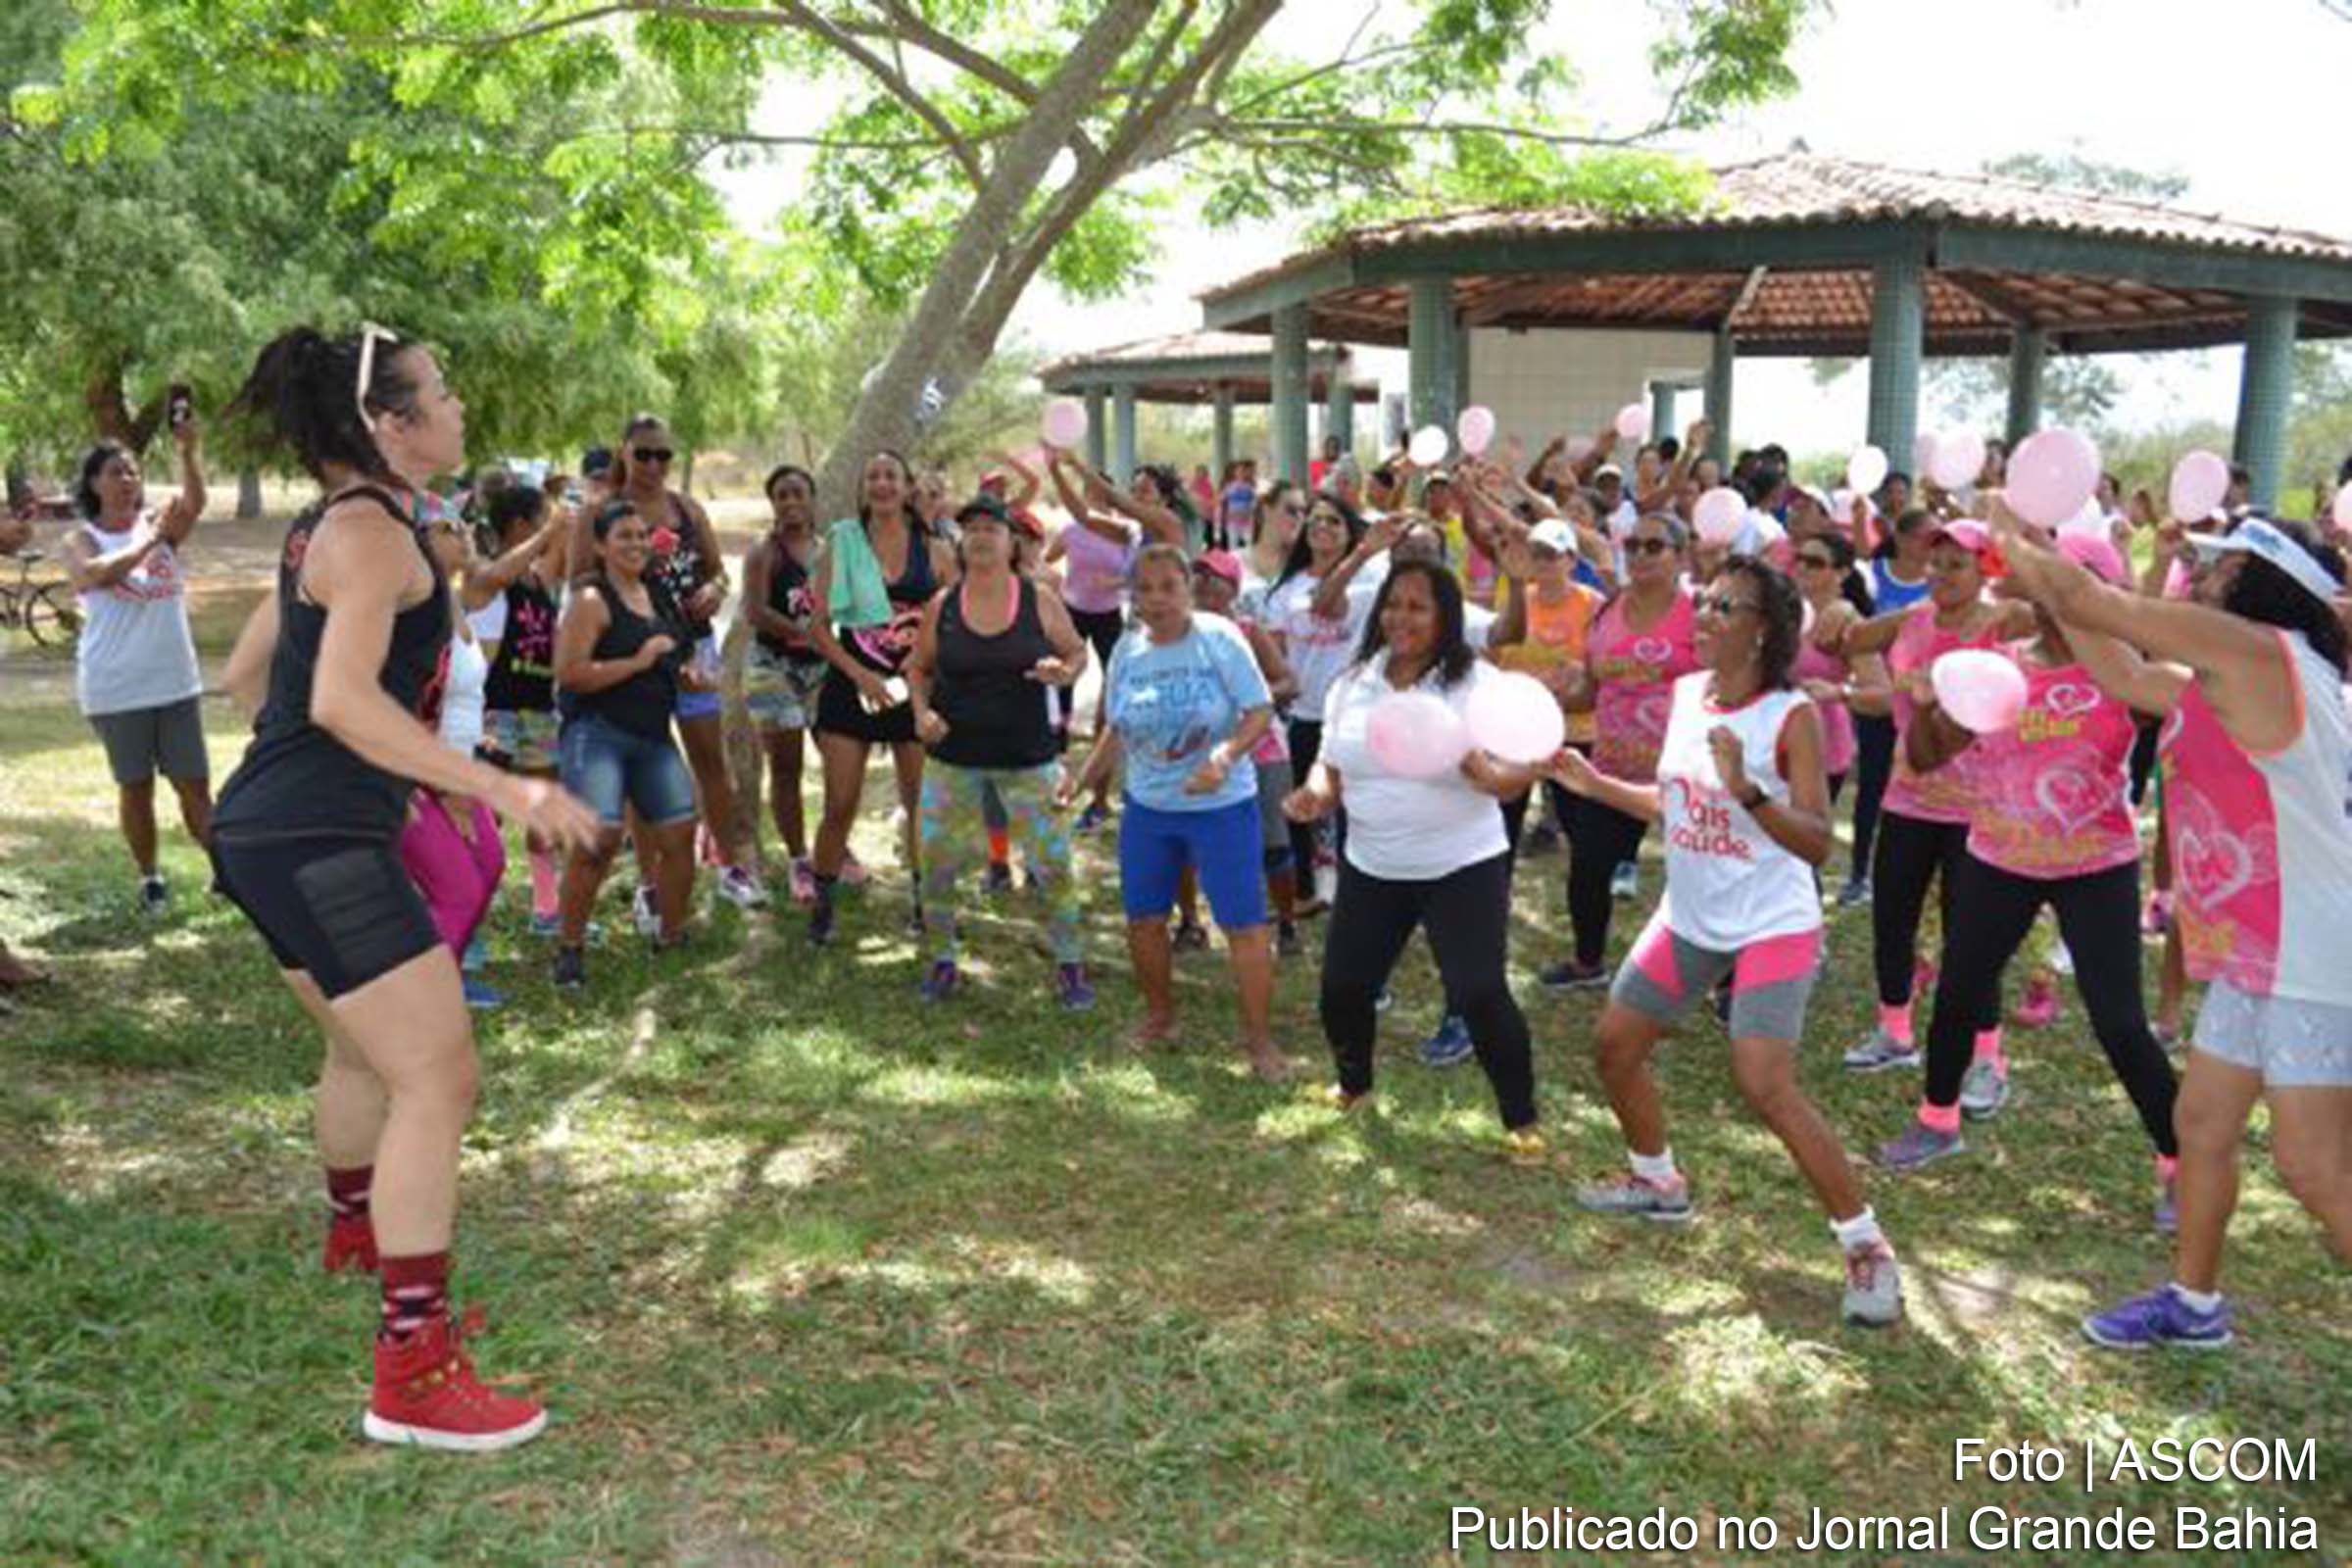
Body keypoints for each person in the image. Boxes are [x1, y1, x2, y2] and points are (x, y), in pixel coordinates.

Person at [209, 324, 598, 1450]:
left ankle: (358, 1235)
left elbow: (248, 678)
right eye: (443, 389)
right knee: (437, 1076)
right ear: (390, 422)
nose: (460, 402)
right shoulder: (375, 537)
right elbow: (335, 700)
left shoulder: (337, 527)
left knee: (364, 1050)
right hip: (318, 838)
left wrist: (305, 775)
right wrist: (502, 790)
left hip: (271, 831)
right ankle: (414, 1375)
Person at [1984, 509, 2352, 1349]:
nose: (2199, 574)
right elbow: (2115, 668)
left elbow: (2095, 598)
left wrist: (2012, 525)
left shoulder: (2256, 650)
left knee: (2313, 1167)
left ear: (2258, 582)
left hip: (2310, 946)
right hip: (2257, 947)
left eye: (2217, 566)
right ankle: (2194, 1306)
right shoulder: (2234, 672)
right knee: (2202, 1125)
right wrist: (2049, 584)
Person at [1551, 557, 1903, 1328]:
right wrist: (1591, 783)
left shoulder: (1791, 716)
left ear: (1765, 628)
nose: (1703, 616)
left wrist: (1748, 788)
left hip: (1773, 919)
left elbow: (1816, 842)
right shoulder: (1686, 694)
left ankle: (1867, 1247)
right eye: (1704, 603)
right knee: (1614, 1045)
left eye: (1725, 606)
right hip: (1693, 911)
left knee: (1764, 1081)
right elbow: (1675, 803)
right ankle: (1657, 1182)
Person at [1877, 533, 2181, 1224]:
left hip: (2095, 866)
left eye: (2078, 585)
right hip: (1998, 859)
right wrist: (1931, 704)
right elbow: (1926, 758)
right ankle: (1937, 1117)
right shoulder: (1997, 666)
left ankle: (2178, 1160)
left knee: (2120, 1023)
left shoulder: (2124, 676)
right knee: (1958, 992)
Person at [1290, 560, 1545, 1151]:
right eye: (1393, 604)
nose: (1401, 617)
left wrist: (1484, 772)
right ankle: (1353, 1088)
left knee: (1479, 992)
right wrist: (1314, 796)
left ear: (1445, 617)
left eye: (1418, 606)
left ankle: (1522, 1119)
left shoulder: (1473, 683)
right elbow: (1331, 766)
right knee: (1343, 990)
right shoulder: (1354, 683)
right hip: (1373, 864)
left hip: (1461, 864)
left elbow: (1516, 773)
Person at [1060, 544, 1287, 1080]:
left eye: (1169, 586)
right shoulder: (1127, 651)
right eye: (1145, 588)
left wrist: (1226, 755)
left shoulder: (1220, 639)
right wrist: (1084, 780)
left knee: (1244, 926)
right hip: (1150, 810)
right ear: (1131, 596)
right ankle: (1161, 1019)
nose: (1158, 598)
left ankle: (1259, 1042)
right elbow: (1115, 727)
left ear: (1187, 588)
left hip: (1221, 807)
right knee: (1143, 920)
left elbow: (1259, 709)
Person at [1838, 519, 2026, 1073]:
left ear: (1984, 569)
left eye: (1957, 564)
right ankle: (1895, 1032)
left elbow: (2057, 623)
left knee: (1969, 937)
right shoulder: (1914, 620)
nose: (1941, 574)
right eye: (1936, 562)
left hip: (1979, 807)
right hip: (1908, 798)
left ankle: (1986, 1056)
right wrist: (1842, 616)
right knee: (1892, 919)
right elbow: (1850, 640)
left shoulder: (2001, 624)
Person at [905, 498, 1092, 1005]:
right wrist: (921, 713)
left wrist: (1065, 671)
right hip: (954, 760)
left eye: (993, 528)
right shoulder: (943, 604)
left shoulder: (1039, 599)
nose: (982, 536)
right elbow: (917, 668)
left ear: (1012, 543)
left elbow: (1077, 650)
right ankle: (943, 960)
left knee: (1053, 866)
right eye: (972, 529)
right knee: (938, 865)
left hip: (1029, 758)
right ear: (961, 542)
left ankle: (1070, 966)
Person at [607, 415, 764, 912]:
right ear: (624, 453)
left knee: (711, 763)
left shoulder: (688, 510)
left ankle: (729, 868)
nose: (654, 464)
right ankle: (650, 884)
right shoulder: (605, 513)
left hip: (696, 649)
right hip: (637, 657)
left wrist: (713, 593)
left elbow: (719, 574)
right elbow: (582, 583)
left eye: (663, 455)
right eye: (643, 454)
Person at [805, 451, 960, 943]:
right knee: (840, 803)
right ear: (863, 487)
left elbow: (955, 619)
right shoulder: (843, 542)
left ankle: (926, 906)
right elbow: (818, 627)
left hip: (915, 692)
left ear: (908, 486)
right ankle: (823, 905)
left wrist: (930, 677)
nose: (882, 484)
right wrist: (860, 677)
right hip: (851, 689)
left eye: (891, 475)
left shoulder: (933, 550)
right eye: (872, 476)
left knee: (920, 803)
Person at [550, 498, 706, 986]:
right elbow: (570, 674)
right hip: (598, 733)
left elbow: (666, 658)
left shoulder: (657, 595)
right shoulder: (591, 601)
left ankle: (671, 938)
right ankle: (570, 950)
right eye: (624, 536)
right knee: (598, 841)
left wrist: (687, 676)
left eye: (642, 535)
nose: (637, 544)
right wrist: (636, 664)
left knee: (681, 835)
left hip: (653, 735)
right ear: (600, 545)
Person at [1541, 513, 1697, 990]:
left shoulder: (1698, 612)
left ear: (1681, 555)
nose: (1641, 555)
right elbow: (1591, 690)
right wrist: (1561, 696)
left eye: (1655, 546)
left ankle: (1725, 978)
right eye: (1633, 545)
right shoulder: (1607, 613)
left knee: (1704, 876)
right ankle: (1589, 962)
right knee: (1587, 867)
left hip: (1687, 772)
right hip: (1611, 772)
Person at [65, 418, 213, 912]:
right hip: (117, 686)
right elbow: (94, 575)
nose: (127, 479)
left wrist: (189, 452)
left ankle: (226, 872)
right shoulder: (81, 539)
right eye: (114, 472)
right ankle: (150, 878)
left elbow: (194, 504)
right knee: (136, 786)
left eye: (132, 471)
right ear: (93, 484)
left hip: (175, 682)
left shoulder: (161, 525)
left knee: (193, 784)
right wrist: (149, 540)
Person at [401, 505, 508, 1008]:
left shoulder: (452, 601)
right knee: (458, 889)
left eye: (465, 525)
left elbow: (459, 695)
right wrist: (448, 792)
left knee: (489, 864)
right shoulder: (410, 614)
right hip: (409, 777)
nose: (463, 534)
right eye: (448, 528)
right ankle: (422, 1005)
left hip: (456, 771)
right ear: (416, 540)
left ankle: (446, 975)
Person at [1264, 495, 1388, 913]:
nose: (1321, 527)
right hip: (1303, 713)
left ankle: (1357, 893)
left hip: (1352, 715)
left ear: (1350, 532)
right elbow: (1277, 648)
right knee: (1300, 804)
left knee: (1354, 809)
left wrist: (1363, 553)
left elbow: (1329, 607)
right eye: (1314, 520)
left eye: (1333, 521)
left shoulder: (1368, 582)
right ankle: (1304, 892)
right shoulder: (1286, 588)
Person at [1189, 549, 1303, 953]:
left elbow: (1289, 682)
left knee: (1274, 842)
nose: (1202, 582)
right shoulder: (1175, 634)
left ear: (1233, 588)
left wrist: (1251, 697)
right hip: (1197, 752)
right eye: (1196, 573)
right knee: (1194, 841)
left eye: (1213, 576)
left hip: (1262, 750)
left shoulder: (1249, 632)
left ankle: (1287, 924)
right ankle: (1195, 923)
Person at [471, 484, 568, 935]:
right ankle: (468, 908)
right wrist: (549, 530)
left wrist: (566, 526)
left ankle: (547, 906)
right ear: (520, 527)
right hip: (498, 713)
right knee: (484, 816)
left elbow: (563, 556)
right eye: (542, 519)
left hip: (539, 710)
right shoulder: (492, 576)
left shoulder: (536, 580)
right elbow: (494, 577)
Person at [740, 465, 829, 905]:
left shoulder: (829, 551)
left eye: (798, 494)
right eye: (781, 496)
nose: (791, 503)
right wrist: (805, 632)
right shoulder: (764, 553)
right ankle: (798, 859)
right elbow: (755, 611)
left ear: (812, 499)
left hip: (821, 669)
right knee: (788, 765)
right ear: (772, 503)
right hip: (771, 668)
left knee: (839, 759)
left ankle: (834, 847)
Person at [1044, 451, 1144, 833]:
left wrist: (1117, 584)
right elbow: (1049, 557)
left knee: (1113, 688)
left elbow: (1139, 571)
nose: (1092, 496)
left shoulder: (1131, 530)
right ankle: (1061, 736)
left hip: (1109, 615)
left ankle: (1107, 793)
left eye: (1097, 490)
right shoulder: (1076, 529)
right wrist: (1059, 468)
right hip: (1075, 608)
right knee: (1068, 674)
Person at [1839, 505, 1932, 907]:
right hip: (1878, 697)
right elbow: (1851, 630)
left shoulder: (1941, 582)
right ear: (1905, 538)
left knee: (1919, 789)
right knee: (1872, 788)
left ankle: (1910, 878)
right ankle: (1859, 874)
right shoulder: (1872, 575)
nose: (1932, 546)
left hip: (1923, 701)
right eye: (1928, 537)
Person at [1788, 531, 1884, 803]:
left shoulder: (1848, 622)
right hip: (1771, 744)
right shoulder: (1781, 610)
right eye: (1800, 559)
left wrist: (1838, 693)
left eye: (1815, 562)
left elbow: (1883, 695)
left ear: (1841, 573)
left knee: (1801, 838)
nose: (1803, 567)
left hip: (1822, 748)